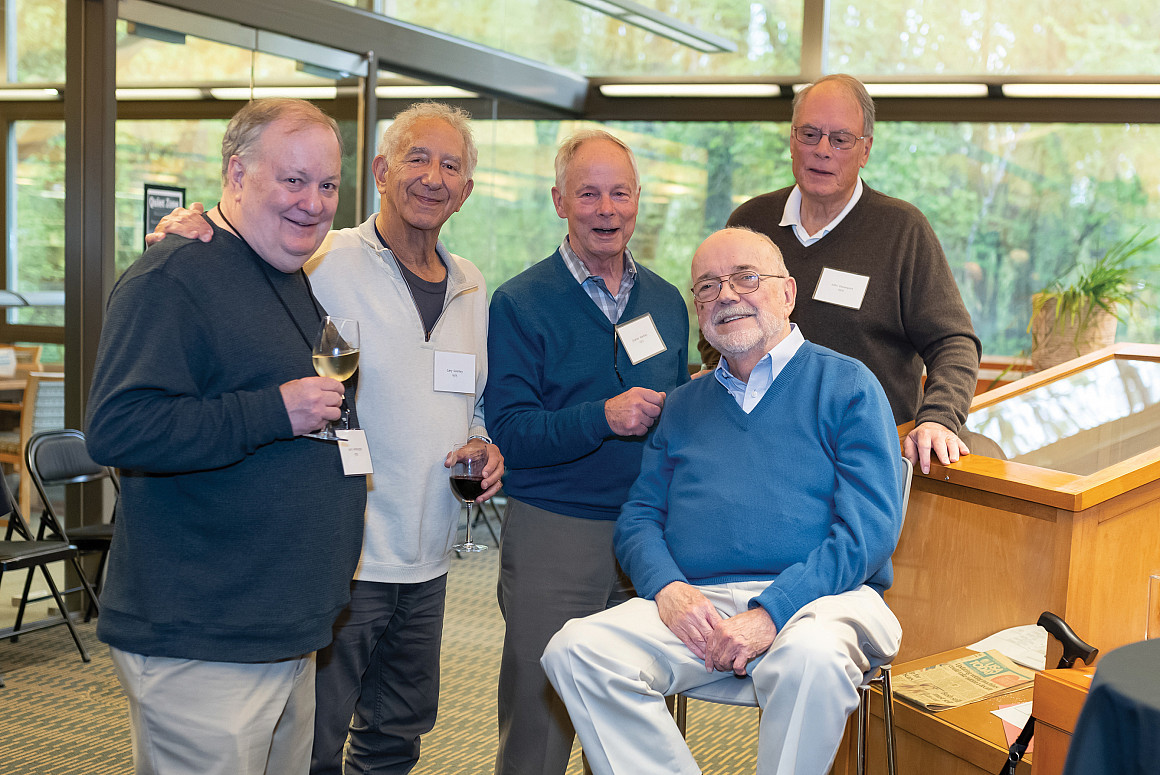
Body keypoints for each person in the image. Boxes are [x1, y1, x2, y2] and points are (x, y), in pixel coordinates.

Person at [148, 102, 504, 775]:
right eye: (417, 158)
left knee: (398, 729)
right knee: (313, 739)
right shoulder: (321, 257)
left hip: (428, 557)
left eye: (450, 165)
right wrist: (186, 228)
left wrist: (482, 439)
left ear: (467, 189)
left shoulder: (472, 285)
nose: (432, 177)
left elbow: (474, 397)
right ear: (380, 171)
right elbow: (237, 252)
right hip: (345, 553)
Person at [541, 226, 907, 775]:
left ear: (787, 293)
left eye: (746, 278)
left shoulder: (848, 385)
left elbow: (869, 532)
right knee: (575, 649)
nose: (727, 295)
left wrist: (773, 611)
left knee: (813, 659)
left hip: (820, 602)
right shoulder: (684, 404)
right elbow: (639, 518)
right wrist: (667, 589)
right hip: (702, 609)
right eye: (708, 287)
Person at [86, 98, 367, 775]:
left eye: (327, 184)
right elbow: (120, 427)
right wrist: (273, 410)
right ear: (236, 174)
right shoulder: (173, 277)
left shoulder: (281, 269)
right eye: (292, 180)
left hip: (281, 629)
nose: (314, 202)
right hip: (204, 640)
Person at [485, 129, 691, 775]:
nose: (607, 209)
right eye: (589, 193)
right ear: (559, 201)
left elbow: (682, 415)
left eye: (620, 193)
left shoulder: (666, 301)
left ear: (638, 202)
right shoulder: (519, 302)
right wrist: (603, 416)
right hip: (556, 530)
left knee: (631, 723)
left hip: (647, 535)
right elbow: (512, 431)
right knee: (539, 725)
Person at [698, 73, 981, 474]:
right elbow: (717, 319)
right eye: (809, 134)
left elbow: (954, 341)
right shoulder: (750, 222)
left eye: (841, 139)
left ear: (865, 150)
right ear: (792, 141)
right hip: (759, 453)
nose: (822, 151)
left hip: (864, 459)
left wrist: (937, 417)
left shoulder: (902, 230)